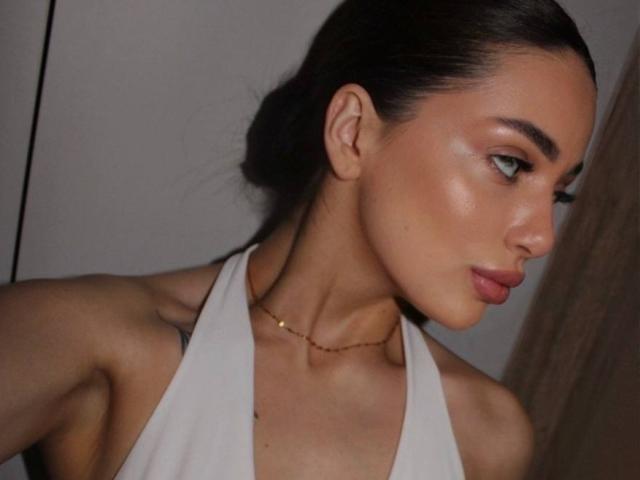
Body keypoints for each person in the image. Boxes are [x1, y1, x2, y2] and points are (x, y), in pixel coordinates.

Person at [0, 0, 597, 478]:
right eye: (511, 163)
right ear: (353, 131)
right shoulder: (90, 344)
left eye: (559, 193)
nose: (541, 236)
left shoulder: (486, 437)